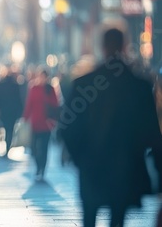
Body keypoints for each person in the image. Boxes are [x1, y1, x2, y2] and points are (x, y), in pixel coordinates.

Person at [60, 28, 162, 227]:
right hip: (125, 167)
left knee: (89, 216)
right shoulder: (139, 86)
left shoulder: (84, 84)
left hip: (92, 165)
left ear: (102, 47)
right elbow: (152, 132)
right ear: (124, 47)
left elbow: (67, 126)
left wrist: (80, 158)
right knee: (118, 218)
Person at [22, 68, 59, 181]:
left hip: (47, 124)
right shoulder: (33, 88)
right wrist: (25, 118)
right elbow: (29, 104)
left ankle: (42, 168)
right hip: (35, 123)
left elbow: (55, 105)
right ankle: (38, 166)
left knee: (44, 147)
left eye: (44, 77)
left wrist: (54, 120)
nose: (42, 79)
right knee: (34, 147)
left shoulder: (50, 89)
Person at [0, 67, 24, 156]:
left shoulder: (0, 84)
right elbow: (19, 99)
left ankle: (3, 141)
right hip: (12, 112)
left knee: (3, 127)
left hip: (3, 111)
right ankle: (7, 146)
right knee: (10, 130)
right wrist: (20, 111)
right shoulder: (15, 85)